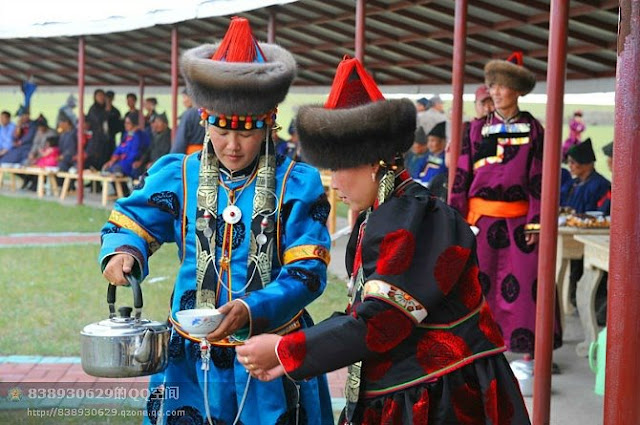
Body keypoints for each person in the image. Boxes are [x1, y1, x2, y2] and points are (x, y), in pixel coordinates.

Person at [236, 56, 530, 424]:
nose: (334, 183)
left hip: (442, 396)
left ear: (373, 162)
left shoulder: (418, 218)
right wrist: (290, 350)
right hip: (407, 389)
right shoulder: (384, 213)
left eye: (338, 168)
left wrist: (286, 350)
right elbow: (364, 312)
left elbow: (382, 321)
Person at [99, 17, 333, 425]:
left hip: (267, 352)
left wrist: (251, 307)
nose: (232, 145)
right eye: (221, 130)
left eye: (247, 131)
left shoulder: (297, 184)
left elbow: (308, 271)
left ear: (270, 123)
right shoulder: (179, 174)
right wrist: (124, 251)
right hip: (188, 354)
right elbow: (131, 220)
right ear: (204, 120)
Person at [449, 52, 563, 361]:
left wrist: (537, 221)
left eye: (502, 86)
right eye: (492, 86)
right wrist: (455, 219)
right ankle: (476, 348)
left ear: (518, 91)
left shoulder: (535, 130)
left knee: (527, 284)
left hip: (519, 222)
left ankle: (529, 349)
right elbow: (461, 176)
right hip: (480, 222)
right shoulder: (474, 129)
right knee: (476, 284)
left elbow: (540, 179)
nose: (495, 92)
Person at [560, 138, 610, 214]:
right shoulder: (572, 184)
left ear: (587, 163)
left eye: (573, 162)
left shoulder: (600, 185)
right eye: (568, 162)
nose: (570, 166)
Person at [101, 112, 149, 179]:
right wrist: (112, 160)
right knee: (106, 168)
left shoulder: (139, 136)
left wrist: (119, 161)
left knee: (116, 169)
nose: (125, 125)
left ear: (134, 124)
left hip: (131, 164)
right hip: (121, 162)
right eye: (125, 123)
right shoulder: (126, 134)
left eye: (128, 123)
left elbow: (134, 155)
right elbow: (120, 148)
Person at [170, 89, 206, 154]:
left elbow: (180, 141)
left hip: (192, 155)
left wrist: (174, 157)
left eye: (184, 97)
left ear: (192, 97)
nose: (183, 101)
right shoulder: (208, 112)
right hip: (208, 153)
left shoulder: (189, 114)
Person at [415, 121, 447, 187]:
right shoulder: (426, 157)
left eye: (433, 140)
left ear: (442, 142)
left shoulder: (446, 159)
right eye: (428, 140)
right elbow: (417, 172)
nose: (429, 144)